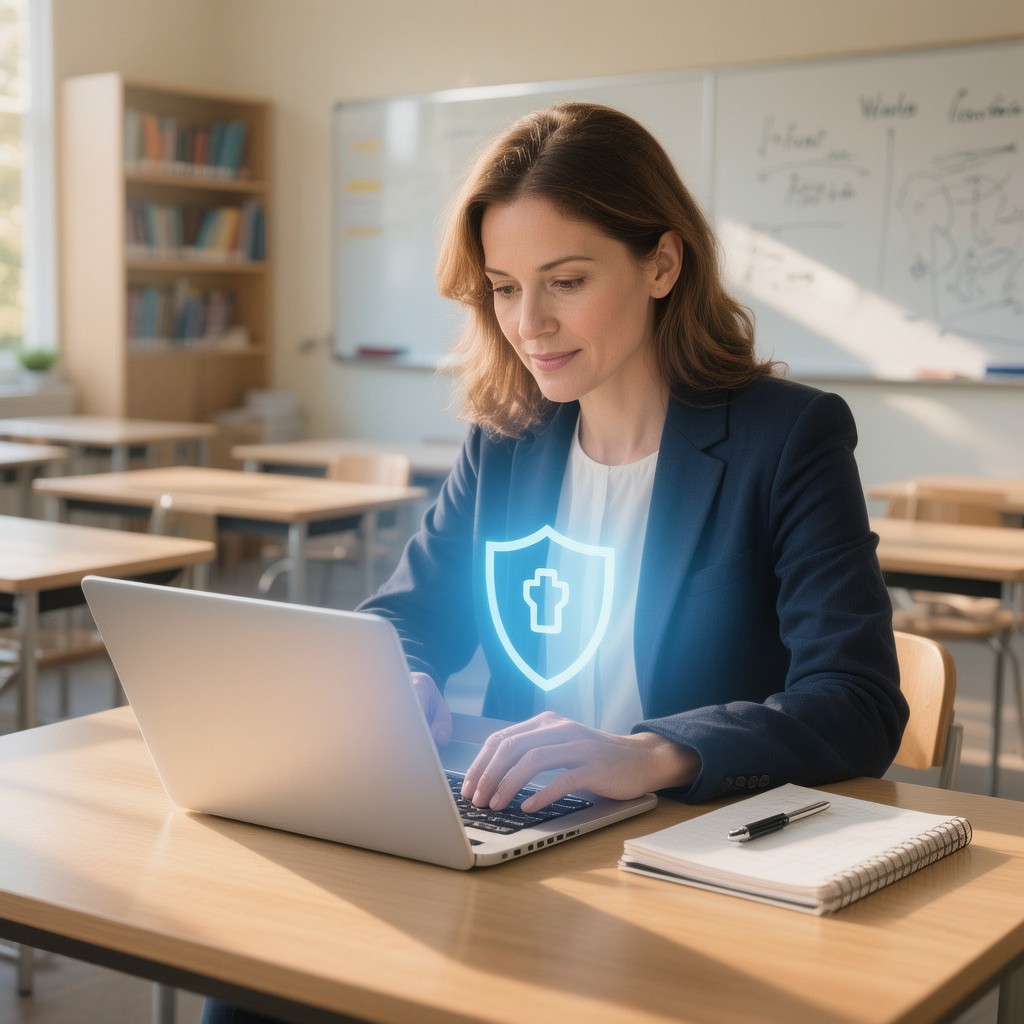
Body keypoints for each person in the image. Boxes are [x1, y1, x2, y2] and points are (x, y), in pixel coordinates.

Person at [200, 102, 906, 1024]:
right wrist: (398, 673)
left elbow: (855, 700)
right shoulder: (509, 437)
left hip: (681, 859)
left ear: (661, 262)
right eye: (502, 287)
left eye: (566, 281)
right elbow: (409, 611)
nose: (529, 323)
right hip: (510, 834)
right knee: (258, 986)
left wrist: (650, 753)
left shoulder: (790, 439)